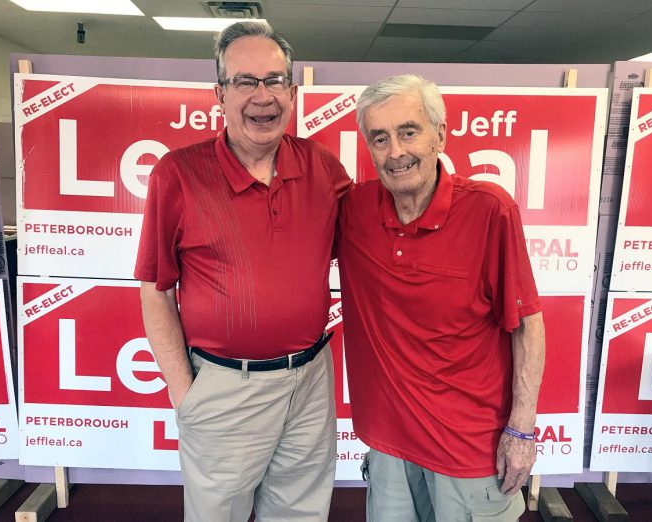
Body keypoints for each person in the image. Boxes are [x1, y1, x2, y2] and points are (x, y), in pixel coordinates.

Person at [135, 21, 352, 522]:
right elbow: (156, 289)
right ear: (219, 93)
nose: (262, 96)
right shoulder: (179, 173)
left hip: (310, 382)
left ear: (293, 93)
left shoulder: (321, 165)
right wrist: (184, 394)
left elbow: (375, 245)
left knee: (301, 514)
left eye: (275, 81)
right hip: (225, 389)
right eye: (244, 82)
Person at [336, 74, 545, 521]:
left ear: (440, 135)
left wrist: (522, 431)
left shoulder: (490, 209)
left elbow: (527, 324)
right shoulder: (354, 210)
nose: (395, 151)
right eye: (380, 138)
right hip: (390, 446)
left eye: (408, 131)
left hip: (469, 451)